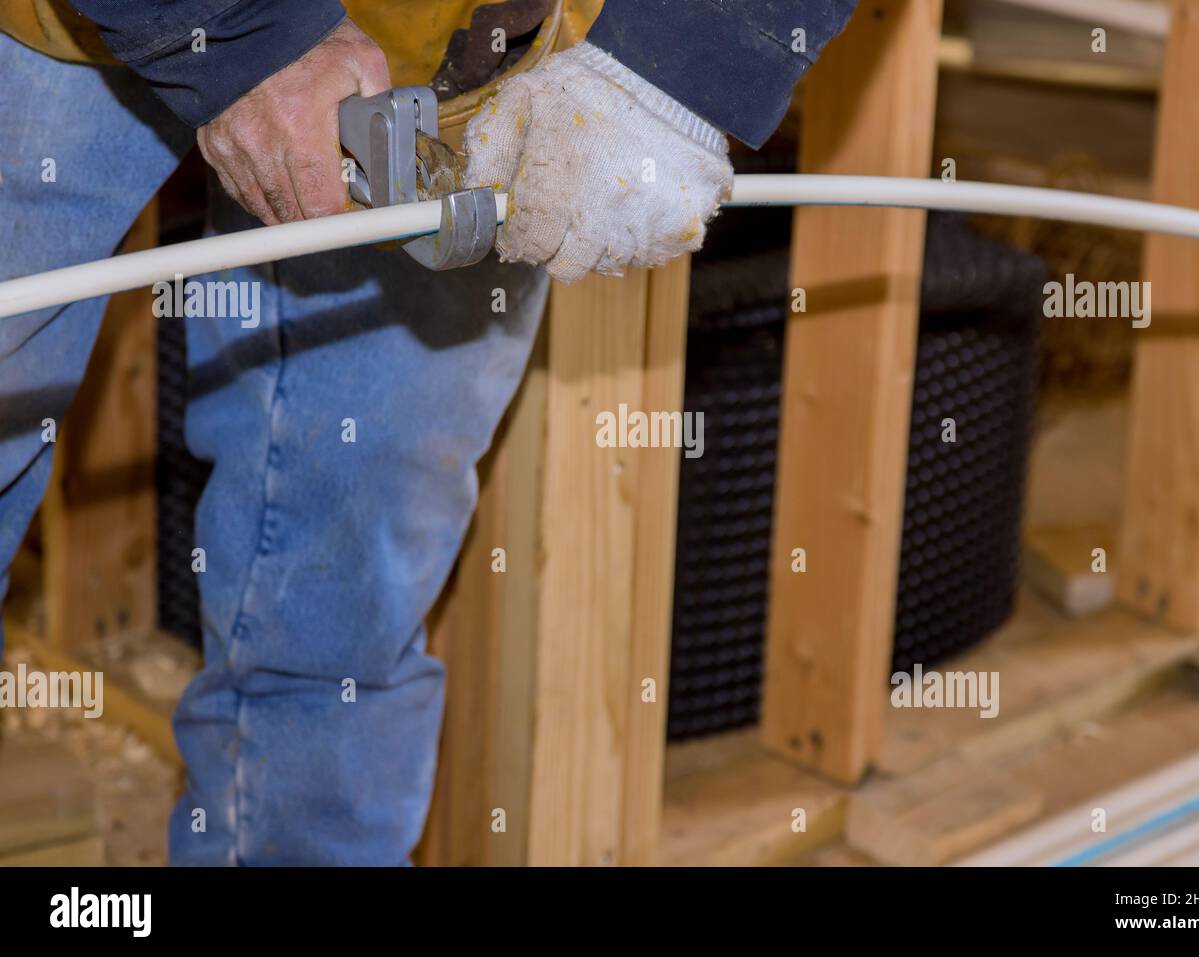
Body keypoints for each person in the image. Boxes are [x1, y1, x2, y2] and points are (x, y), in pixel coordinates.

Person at [0, 0, 857, 864]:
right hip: (61, 26)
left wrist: (678, 66)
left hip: (456, 49)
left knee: (348, 573)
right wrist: (236, 32)